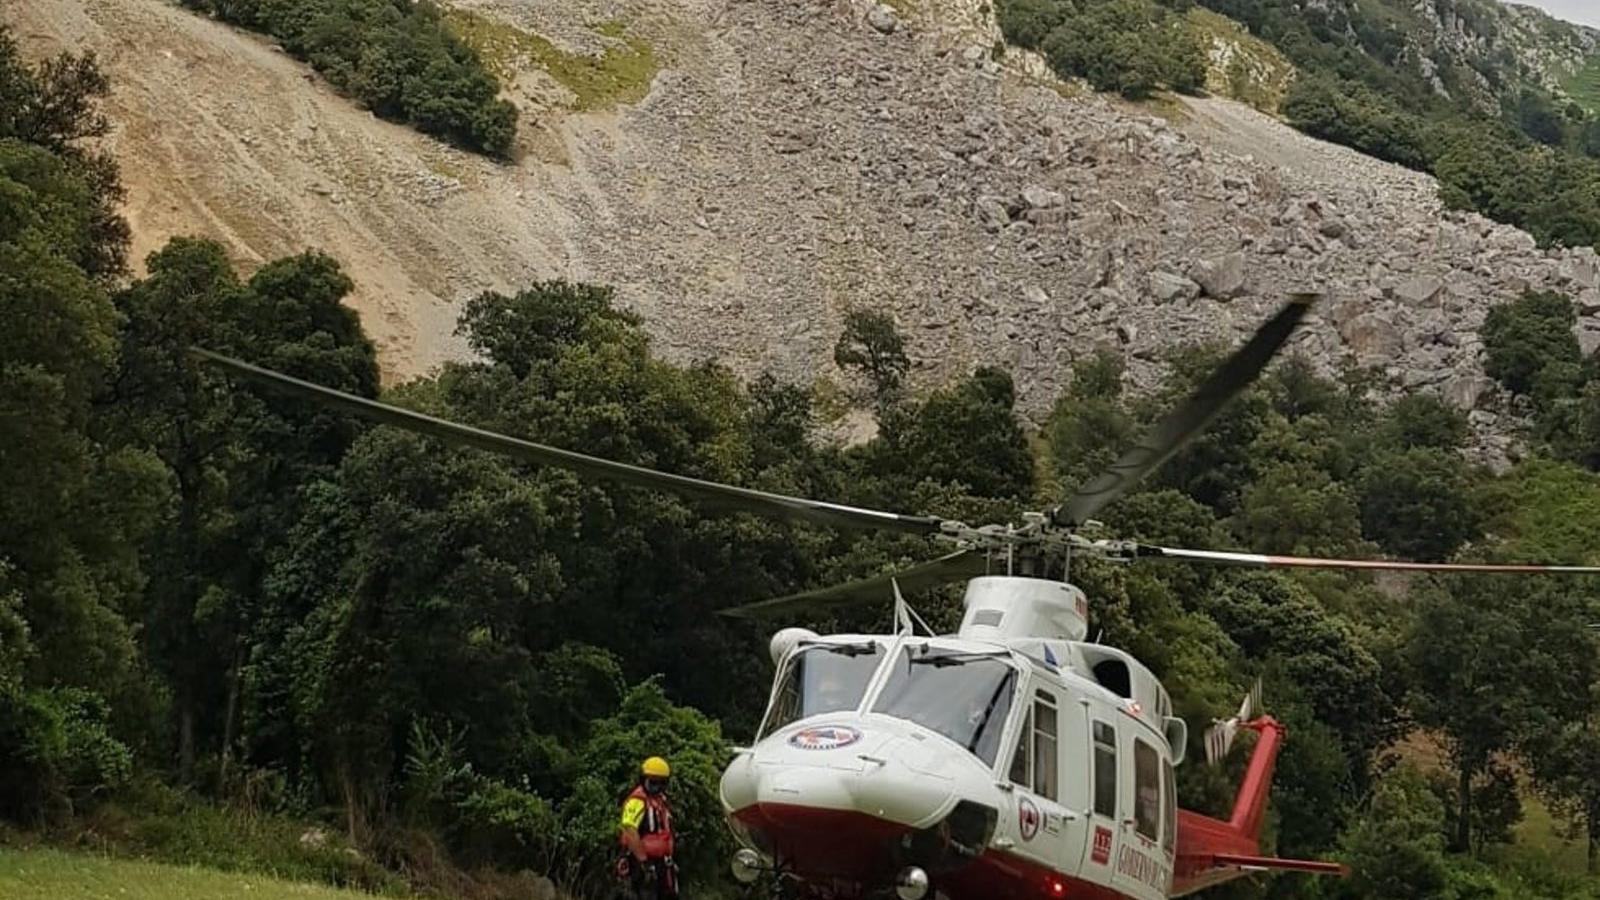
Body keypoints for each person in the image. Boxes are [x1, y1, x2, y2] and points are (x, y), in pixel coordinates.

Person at [618, 756, 678, 899]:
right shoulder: (637, 801)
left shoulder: (660, 801)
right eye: (653, 783)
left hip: (663, 863)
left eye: (661, 784)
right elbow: (630, 830)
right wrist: (644, 863)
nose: (657, 788)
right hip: (642, 863)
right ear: (643, 780)